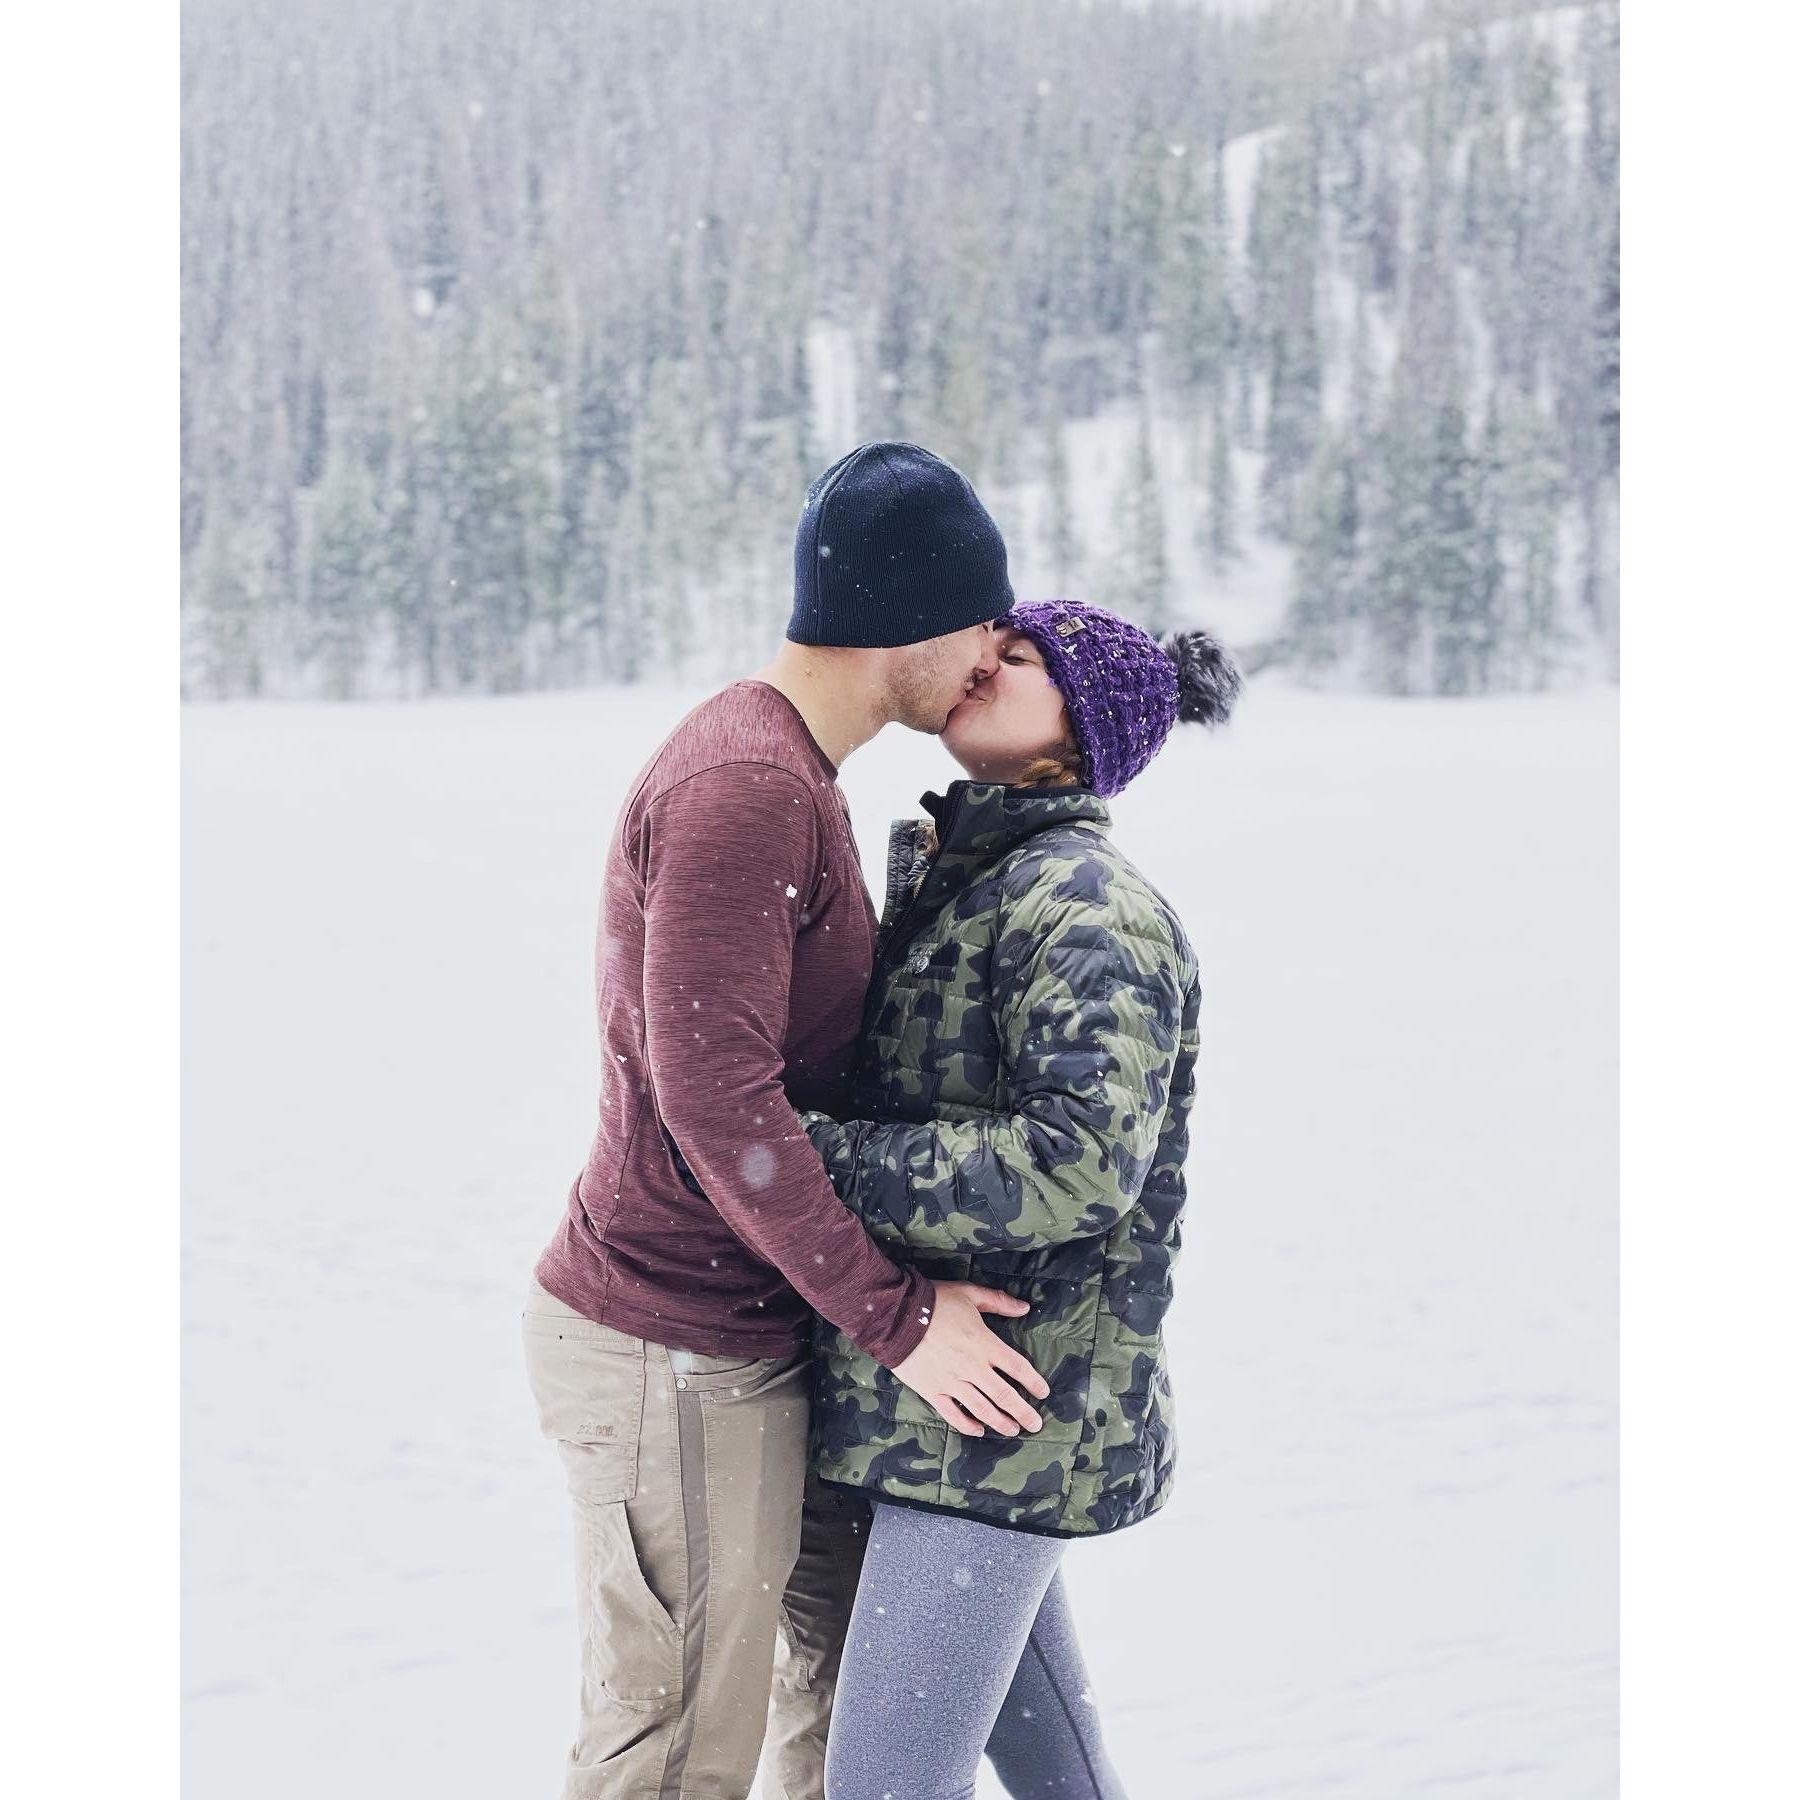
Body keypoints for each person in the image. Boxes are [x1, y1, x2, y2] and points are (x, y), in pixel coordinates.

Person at [521, 442, 1054, 1800]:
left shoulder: (791, 775)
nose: (995, 652)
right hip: (671, 1345)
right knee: (675, 1756)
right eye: (986, 623)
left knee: (838, 1718)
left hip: (752, 1333)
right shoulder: (746, 788)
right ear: (914, 615)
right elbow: (715, 1098)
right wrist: (896, 1317)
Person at [800, 600, 1242, 1800]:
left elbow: (1080, 1159)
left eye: (1021, 659)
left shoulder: (1087, 906)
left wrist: (813, 1160)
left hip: (1003, 1418)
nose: (980, 662)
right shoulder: (975, 884)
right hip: (963, 1426)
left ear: (1079, 727)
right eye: (990, 645)